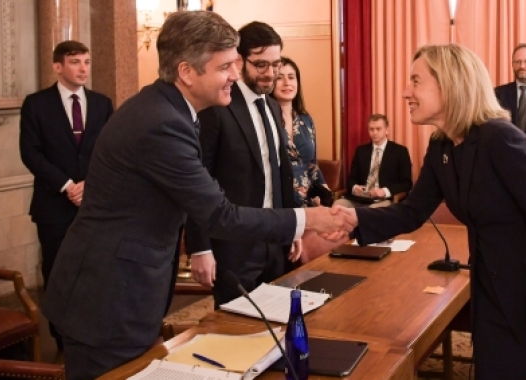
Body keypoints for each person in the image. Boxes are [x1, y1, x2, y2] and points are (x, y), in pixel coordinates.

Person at [40, 12, 348, 380]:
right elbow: (220, 214)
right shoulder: (161, 122)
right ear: (187, 72)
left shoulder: (171, 110)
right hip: (107, 298)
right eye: (225, 67)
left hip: (127, 290)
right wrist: (307, 220)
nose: (235, 75)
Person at [329, 44, 526, 379]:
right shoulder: (442, 145)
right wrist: (354, 219)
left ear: (450, 84)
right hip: (494, 295)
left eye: (416, 81)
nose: (405, 92)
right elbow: (413, 210)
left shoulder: (502, 140)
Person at [186, 22, 300, 306]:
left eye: (275, 64)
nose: (270, 73)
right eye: (261, 65)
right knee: (233, 333)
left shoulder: (273, 107)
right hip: (233, 245)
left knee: (275, 323)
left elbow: (279, 174)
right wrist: (200, 247)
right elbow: (198, 178)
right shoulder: (218, 107)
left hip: (274, 241)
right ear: (239, 60)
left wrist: (293, 226)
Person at [19, 40, 113, 353]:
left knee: (95, 269)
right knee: (58, 271)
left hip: (93, 202)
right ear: (58, 66)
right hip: (53, 205)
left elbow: (109, 151)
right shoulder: (36, 104)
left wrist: (89, 184)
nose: (83, 68)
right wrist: (67, 185)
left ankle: (93, 332)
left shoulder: (102, 103)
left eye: (86, 61)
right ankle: (62, 339)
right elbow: (30, 153)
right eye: (75, 62)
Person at [272, 56, 330, 207]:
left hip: (308, 203)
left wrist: (324, 192)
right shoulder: (265, 119)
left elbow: (312, 165)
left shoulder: (306, 120)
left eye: (291, 77)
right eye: (280, 78)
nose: (287, 83)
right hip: (278, 202)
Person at [334, 114, 412, 208]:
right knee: (338, 205)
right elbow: (351, 178)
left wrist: (384, 191)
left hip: (383, 199)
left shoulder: (400, 151)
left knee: (371, 212)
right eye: (371, 129)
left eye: (378, 129)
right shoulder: (361, 151)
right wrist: (355, 187)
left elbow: (407, 183)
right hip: (360, 198)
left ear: (387, 130)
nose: (374, 133)